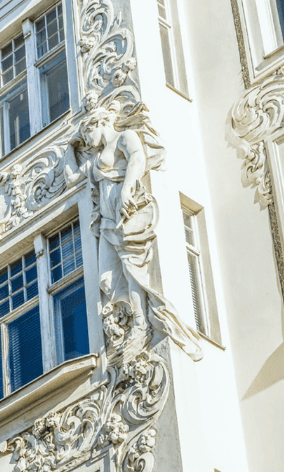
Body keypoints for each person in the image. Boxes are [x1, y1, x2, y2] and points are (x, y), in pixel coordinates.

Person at [66, 101, 202, 361]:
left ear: (98, 124)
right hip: (108, 222)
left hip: (126, 216)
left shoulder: (123, 137)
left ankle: (141, 323)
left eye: (87, 136)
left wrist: (128, 187)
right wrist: (71, 147)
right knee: (107, 280)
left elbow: (138, 158)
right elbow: (72, 178)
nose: (87, 143)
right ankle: (124, 325)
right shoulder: (95, 157)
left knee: (133, 271)